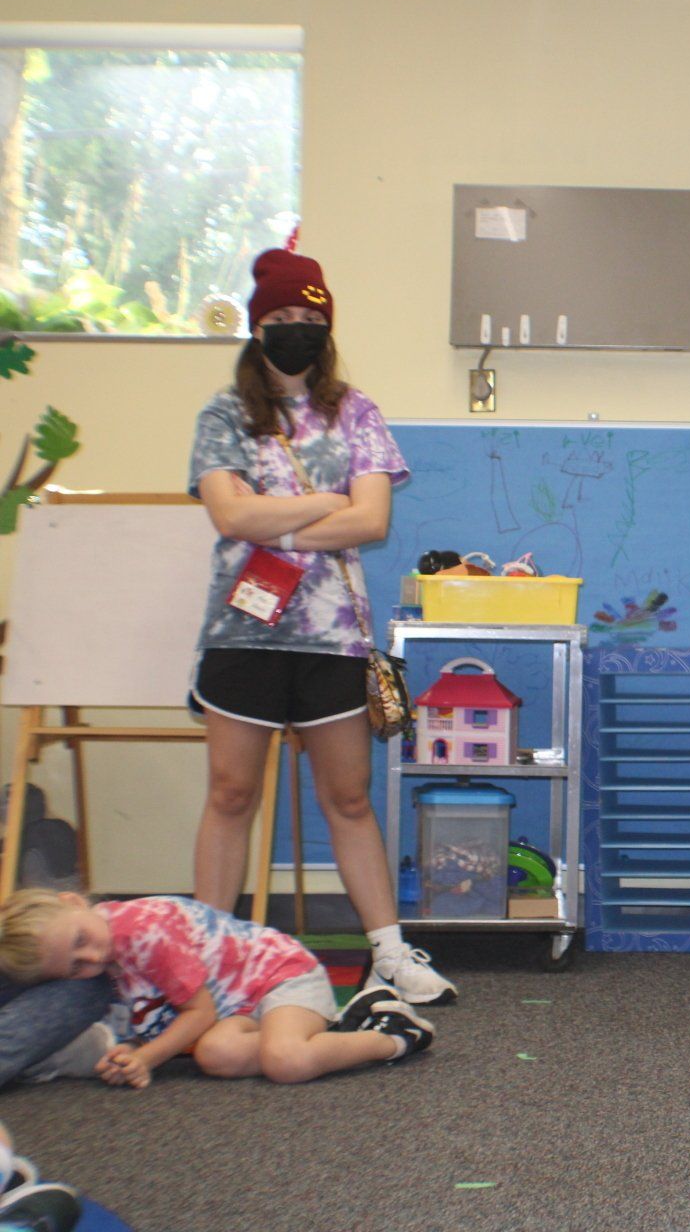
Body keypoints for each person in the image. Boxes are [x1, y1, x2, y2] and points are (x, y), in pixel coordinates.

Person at [188, 247, 454, 1006]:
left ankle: (390, 954)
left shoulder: (356, 411)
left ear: (327, 327)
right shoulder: (224, 413)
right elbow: (229, 514)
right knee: (231, 794)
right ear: (256, 326)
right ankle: (212, 960)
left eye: (309, 318)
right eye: (280, 318)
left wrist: (282, 525)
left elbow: (371, 520)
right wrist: (323, 507)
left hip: (333, 637)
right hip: (242, 634)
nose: (296, 330)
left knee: (348, 798)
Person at [0, 889, 434, 1085]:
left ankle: (392, 1036)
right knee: (214, 1055)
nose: (90, 961)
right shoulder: (106, 948)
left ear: (74, 901)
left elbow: (199, 1013)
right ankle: (336, 1031)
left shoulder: (144, 933)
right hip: (238, 1007)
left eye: (81, 942)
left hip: (280, 976)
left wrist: (146, 1057)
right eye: (74, 968)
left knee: (286, 1061)